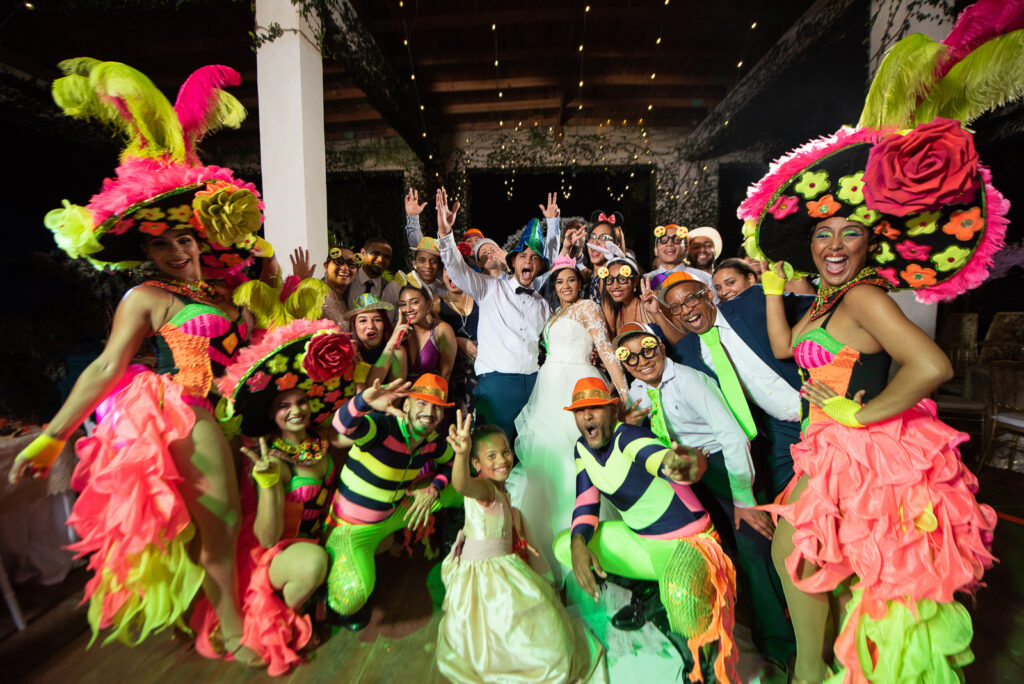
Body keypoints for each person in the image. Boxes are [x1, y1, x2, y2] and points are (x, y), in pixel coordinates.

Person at [10, 59, 269, 665]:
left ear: (201, 237)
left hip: (230, 412)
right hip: (184, 410)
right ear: (144, 248)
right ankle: (230, 632)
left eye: (185, 239)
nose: (178, 251)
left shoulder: (223, 294)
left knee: (227, 520)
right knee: (223, 522)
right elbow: (104, 368)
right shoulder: (146, 297)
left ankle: (211, 611)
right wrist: (53, 435)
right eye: (161, 243)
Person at [738, 113, 1004, 682]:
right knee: (835, 567)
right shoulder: (824, 301)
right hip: (825, 447)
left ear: (869, 241)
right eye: (823, 234)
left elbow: (932, 364)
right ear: (810, 244)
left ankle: (812, 671)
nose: (834, 244)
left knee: (806, 554)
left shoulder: (864, 297)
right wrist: (772, 290)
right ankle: (827, 666)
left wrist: (860, 413)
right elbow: (786, 349)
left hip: (868, 451)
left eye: (849, 232)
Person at [616, 322, 795, 676]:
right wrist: (630, 424)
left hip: (723, 467)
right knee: (709, 554)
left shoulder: (689, 381)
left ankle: (782, 646)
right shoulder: (636, 392)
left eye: (648, 349)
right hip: (686, 477)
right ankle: (725, 631)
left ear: (661, 348)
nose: (642, 360)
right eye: (630, 356)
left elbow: (733, 438)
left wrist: (743, 499)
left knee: (753, 550)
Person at [553, 377, 738, 683]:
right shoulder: (582, 449)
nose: (587, 416)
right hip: (642, 542)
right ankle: (648, 593)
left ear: (613, 412)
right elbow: (586, 502)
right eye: (580, 410)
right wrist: (577, 545)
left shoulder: (629, 437)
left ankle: (704, 670)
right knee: (566, 545)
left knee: (678, 596)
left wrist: (684, 464)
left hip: (686, 543)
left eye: (595, 408)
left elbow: (659, 458)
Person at [209, 319, 355, 675]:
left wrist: (370, 398)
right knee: (314, 562)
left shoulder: (320, 439)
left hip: (321, 537)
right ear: (272, 416)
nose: (295, 410)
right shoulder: (274, 460)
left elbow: (357, 429)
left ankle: (318, 597)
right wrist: (269, 484)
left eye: (301, 401)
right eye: (284, 405)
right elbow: (268, 538)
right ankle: (291, 613)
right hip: (282, 554)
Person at [436, 413, 608, 683]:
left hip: (503, 569)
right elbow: (461, 485)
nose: (502, 460)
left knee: (521, 629)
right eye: (491, 456)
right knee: (518, 629)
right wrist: (460, 454)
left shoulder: (501, 493)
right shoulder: (484, 489)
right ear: (476, 463)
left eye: (505, 452)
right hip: (488, 578)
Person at [507, 255, 630, 584]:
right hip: (549, 386)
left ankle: (585, 541)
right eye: (559, 281)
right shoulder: (556, 313)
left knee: (577, 457)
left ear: (580, 283)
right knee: (548, 460)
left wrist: (622, 392)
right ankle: (547, 545)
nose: (564, 286)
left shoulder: (588, 307)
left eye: (570, 281)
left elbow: (605, 349)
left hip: (578, 383)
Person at [324, 374, 461, 629]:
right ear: (406, 406)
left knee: (461, 489)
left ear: (441, 416)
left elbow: (452, 462)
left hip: (395, 513)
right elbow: (342, 426)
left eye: (436, 407)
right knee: (348, 598)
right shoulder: (382, 427)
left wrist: (434, 487)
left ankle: (458, 539)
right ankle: (336, 573)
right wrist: (363, 400)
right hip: (353, 528)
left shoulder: (433, 442)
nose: (429, 412)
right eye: (422, 403)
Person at [658, 271, 811, 499]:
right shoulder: (685, 353)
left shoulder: (752, 302)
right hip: (776, 430)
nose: (685, 310)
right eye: (676, 308)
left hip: (818, 401)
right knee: (785, 499)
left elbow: (817, 306)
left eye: (690, 299)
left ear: (709, 295)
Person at [435, 188, 550, 440]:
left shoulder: (542, 304)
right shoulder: (488, 288)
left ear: (540, 266)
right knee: (491, 452)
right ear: (514, 261)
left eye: (534, 257)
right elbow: (455, 269)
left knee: (528, 452)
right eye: (522, 256)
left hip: (534, 384)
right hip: (496, 383)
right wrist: (445, 234)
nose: (527, 261)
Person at [397, 274, 456, 381]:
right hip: (400, 395)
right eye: (403, 304)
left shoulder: (441, 330)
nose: (408, 309)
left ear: (429, 304)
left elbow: (445, 376)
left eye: (414, 302)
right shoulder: (398, 331)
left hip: (432, 395)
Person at [437, 266, 479, 416]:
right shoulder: (435, 303)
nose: (452, 273)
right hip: (454, 373)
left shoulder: (481, 297)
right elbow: (431, 334)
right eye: (447, 269)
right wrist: (456, 340)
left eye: (455, 267)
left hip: (483, 370)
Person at [347, 293, 403, 390]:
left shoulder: (397, 351)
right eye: (363, 320)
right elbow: (361, 399)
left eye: (377, 320)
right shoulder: (349, 353)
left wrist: (390, 344)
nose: (371, 326)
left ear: (384, 323)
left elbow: (396, 396)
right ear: (354, 326)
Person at [644, 224, 714, 292]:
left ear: (686, 249)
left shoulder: (704, 279)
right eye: (664, 240)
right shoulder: (644, 280)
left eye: (677, 240)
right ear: (656, 250)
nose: (669, 244)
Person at [580, 211, 627, 304]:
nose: (595, 242)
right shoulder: (588, 276)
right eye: (593, 236)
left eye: (604, 238)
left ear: (616, 245)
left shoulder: (614, 280)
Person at [353, 235, 401, 308]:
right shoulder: (347, 282)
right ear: (363, 253)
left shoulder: (390, 289)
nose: (380, 259)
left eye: (386, 256)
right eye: (375, 253)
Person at [320, 246, 360, 329]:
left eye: (351, 264)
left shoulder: (351, 295)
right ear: (326, 266)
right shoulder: (317, 292)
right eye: (339, 262)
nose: (345, 268)